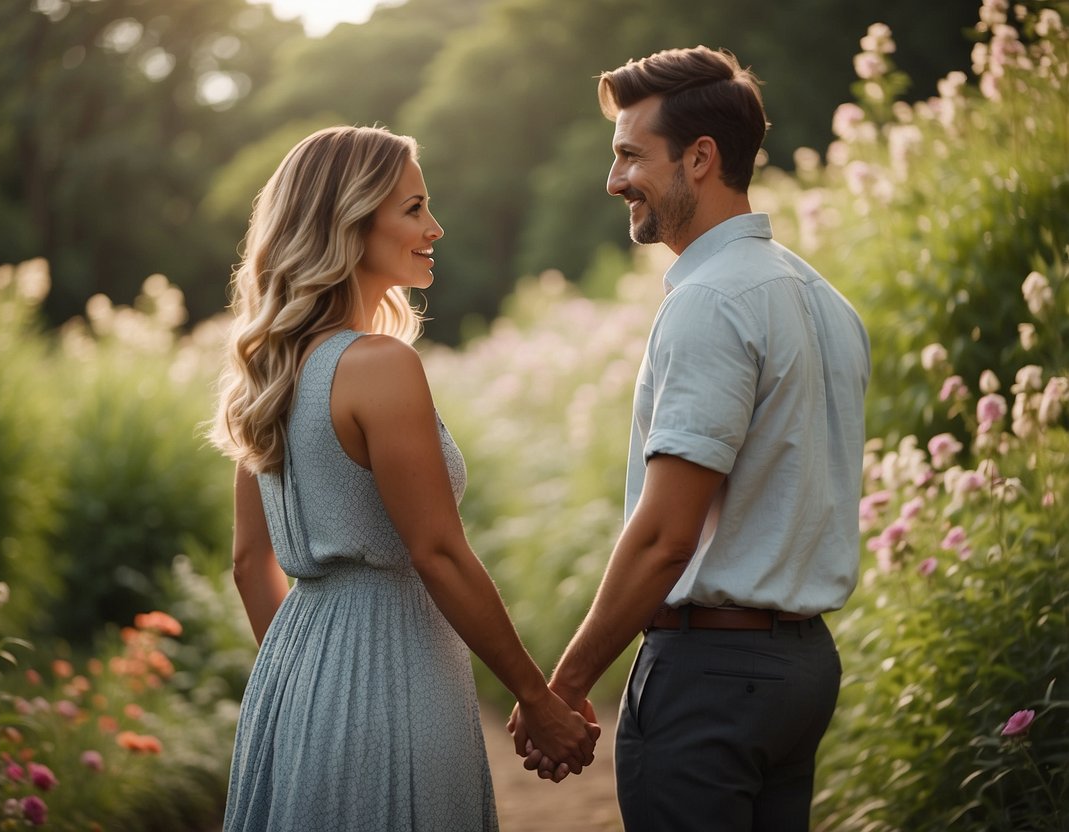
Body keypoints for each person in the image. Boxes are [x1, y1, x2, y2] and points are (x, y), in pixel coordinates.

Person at [509, 46, 871, 831]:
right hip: (800, 670)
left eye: (630, 156)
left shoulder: (711, 302)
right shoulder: (825, 301)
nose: (613, 181)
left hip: (712, 675)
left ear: (699, 158)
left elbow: (667, 538)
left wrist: (562, 687)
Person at [208, 125, 598, 832]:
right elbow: (438, 552)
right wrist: (536, 699)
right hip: (395, 677)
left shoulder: (265, 373)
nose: (434, 228)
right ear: (349, 223)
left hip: (291, 680)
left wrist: (309, 689)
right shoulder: (378, 365)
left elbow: (246, 564)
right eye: (413, 208)